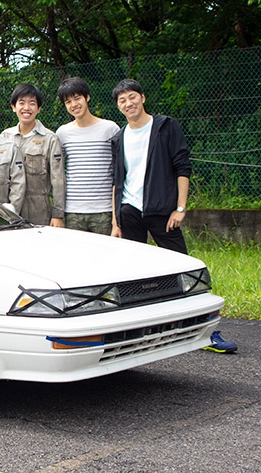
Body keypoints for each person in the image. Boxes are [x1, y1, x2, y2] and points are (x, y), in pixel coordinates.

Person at [110, 78, 238, 354]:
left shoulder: (165, 126)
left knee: (186, 270)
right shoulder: (119, 137)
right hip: (129, 212)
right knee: (132, 275)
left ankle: (208, 333)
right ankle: (140, 334)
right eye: (122, 100)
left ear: (142, 97)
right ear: (118, 106)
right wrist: (116, 221)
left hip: (162, 211)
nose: (128, 103)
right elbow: (117, 180)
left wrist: (180, 208)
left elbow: (182, 166)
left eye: (132, 97)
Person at [56, 77, 120, 234]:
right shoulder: (62, 133)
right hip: (73, 210)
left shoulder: (110, 128)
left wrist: (115, 219)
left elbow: (119, 172)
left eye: (77, 98)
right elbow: (57, 170)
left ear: (87, 97)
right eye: (68, 102)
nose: (74, 105)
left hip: (104, 210)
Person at [1, 84, 65, 226]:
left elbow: (58, 179)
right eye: (21, 103)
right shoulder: (5, 136)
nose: (26, 108)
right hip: (10, 211)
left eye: (32, 103)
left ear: (39, 108)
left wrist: (58, 214)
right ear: (13, 107)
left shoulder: (50, 138)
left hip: (40, 211)